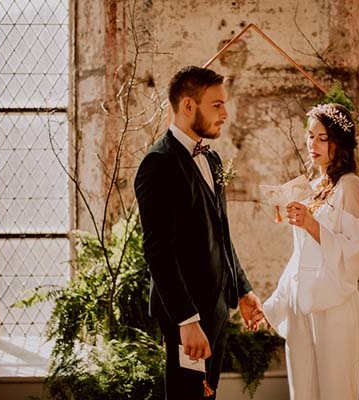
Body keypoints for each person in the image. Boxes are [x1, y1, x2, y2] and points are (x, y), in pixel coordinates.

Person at [134, 65, 263, 400]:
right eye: (216, 104)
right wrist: (186, 320)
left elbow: (221, 233)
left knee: (207, 395)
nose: (225, 113)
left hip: (217, 305)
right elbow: (158, 251)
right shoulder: (158, 163)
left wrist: (243, 289)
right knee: (187, 397)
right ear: (189, 106)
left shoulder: (213, 159)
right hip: (186, 315)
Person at [262, 103, 359, 400]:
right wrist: (271, 305)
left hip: (334, 308)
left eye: (322, 138)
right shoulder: (311, 187)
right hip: (302, 309)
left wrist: (312, 224)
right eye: (310, 136)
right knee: (303, 393)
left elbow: (354, 253)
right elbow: (300, 259)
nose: (313, 144)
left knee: (336, 392)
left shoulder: (352, 188)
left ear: (340, 142)